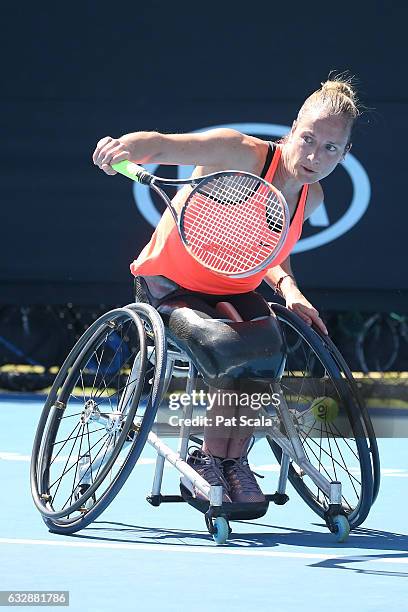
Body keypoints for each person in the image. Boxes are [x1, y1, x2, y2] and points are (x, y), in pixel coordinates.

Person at [93, 75, 361, 505]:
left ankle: (232, 462)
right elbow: (162, 144)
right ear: (293, 129)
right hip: (169, 284)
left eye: (330, 148)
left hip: (234, 290)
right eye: (308, 138)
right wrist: (124, 148)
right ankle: (208, 459)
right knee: (229, 347)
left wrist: (290, 289)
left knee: (270, 350)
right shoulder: (239, 153)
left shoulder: (311, 199)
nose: (314, 155)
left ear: (345, 154)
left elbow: (272, 252)